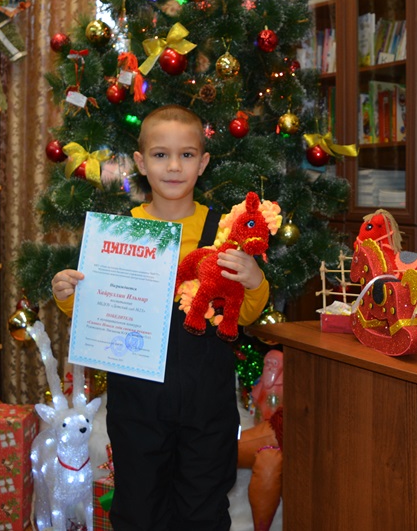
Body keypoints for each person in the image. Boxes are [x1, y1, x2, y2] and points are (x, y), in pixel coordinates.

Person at [51, 104, 270, 531]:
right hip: (138, 406)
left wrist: (255, 279)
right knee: (138, 509)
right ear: (140, 162)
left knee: (203, 510)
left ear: (203, 163)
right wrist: (67, 295)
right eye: (160, 155)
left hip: (207, 407)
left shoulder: (224, 233)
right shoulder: (119, 233)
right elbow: (98, 310)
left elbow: (243, 314)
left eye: (186, 155)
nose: (173, 166)